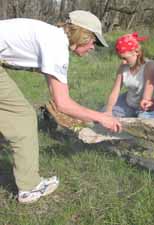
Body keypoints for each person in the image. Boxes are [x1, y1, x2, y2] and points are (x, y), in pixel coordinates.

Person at [0, 10, 121, 203]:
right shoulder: (56, 45)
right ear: (83, 35)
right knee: (23, 116)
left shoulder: (52, 36)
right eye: (94, 42)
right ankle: (30, 187)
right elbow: (62, 103)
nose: (93, 48)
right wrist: (101, 117)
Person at [102, 32, 154, 117]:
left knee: (143, 119)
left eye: (125, 58)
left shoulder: (149, 67)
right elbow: (115, 92)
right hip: (128, 102)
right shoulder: (123, 67)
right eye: (121, 58)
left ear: (136, 52)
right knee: (103, 113)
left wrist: (143, 107)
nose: (123, 62)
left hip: (144, 107)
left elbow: (147, 97)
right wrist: (108, 111)